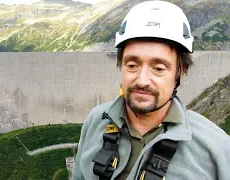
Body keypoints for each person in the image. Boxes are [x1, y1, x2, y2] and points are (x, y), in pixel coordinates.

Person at [72, 1, 230, 180]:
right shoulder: (96, 120)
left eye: (159, 68)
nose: (142, 80)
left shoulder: (217, 150)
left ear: (180, 73)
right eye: (132, 65)